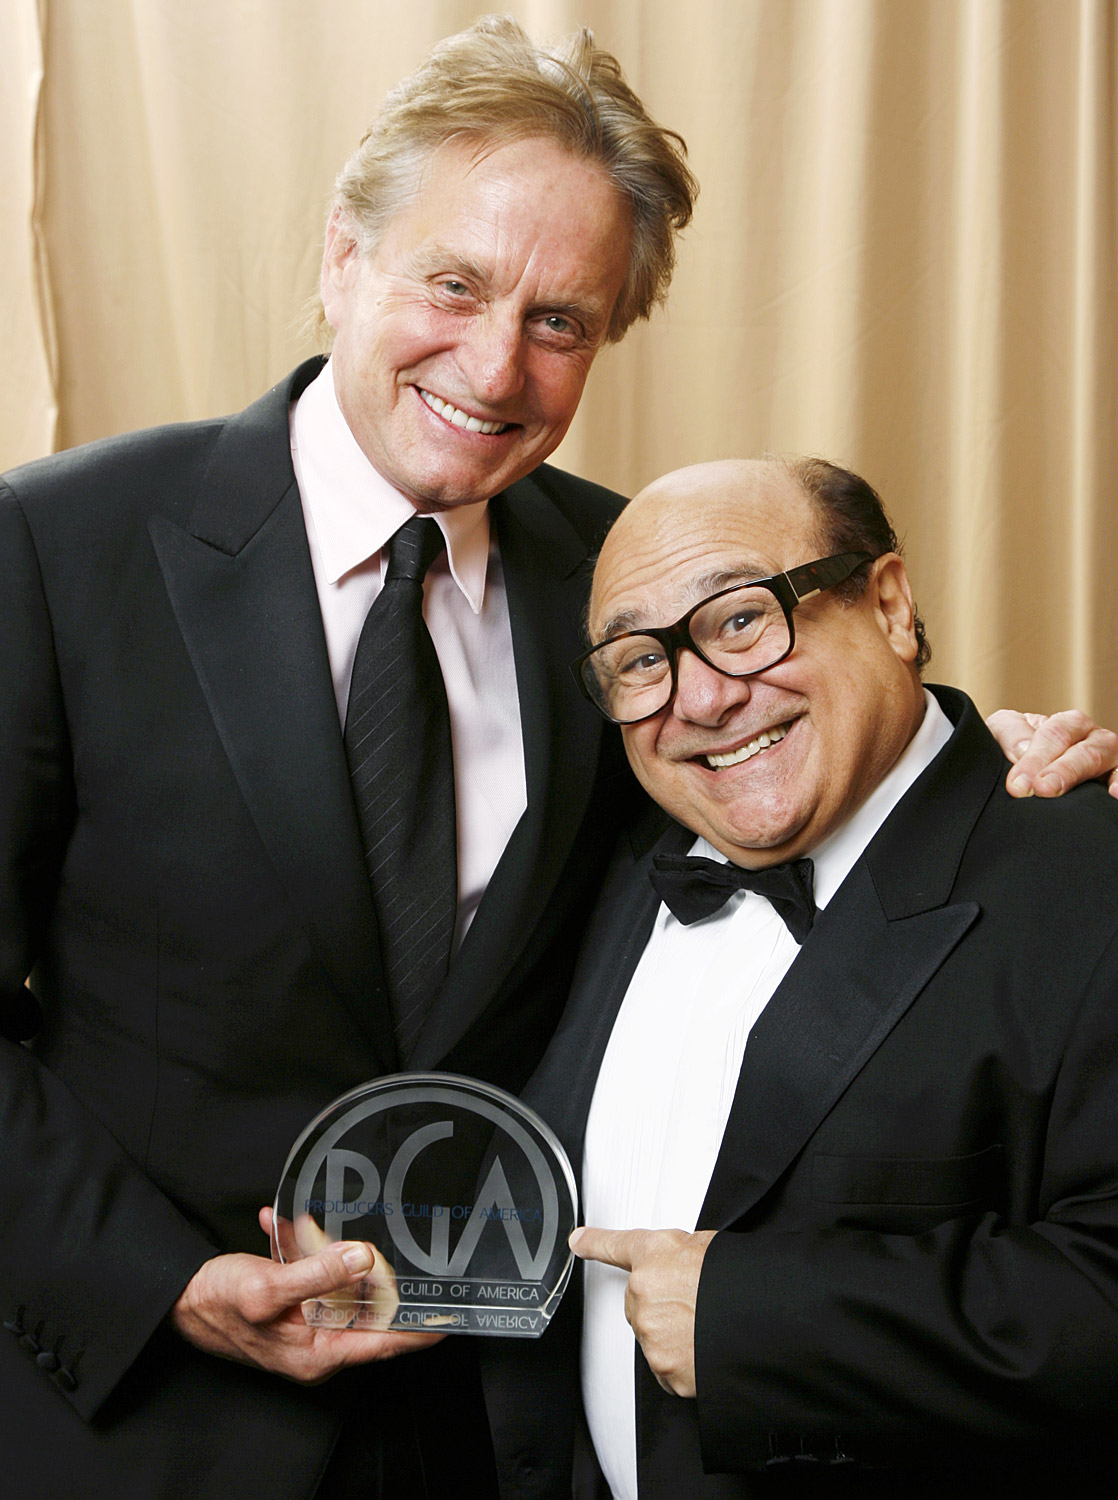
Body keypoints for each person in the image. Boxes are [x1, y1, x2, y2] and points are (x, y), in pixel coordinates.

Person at [0, 17, 1109, 1499]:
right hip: (152, 1427)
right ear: (341, 255)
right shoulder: (54, 547)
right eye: (452, 284)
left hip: (497, 1430)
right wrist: (161, 1285)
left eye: (561, 321)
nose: (494, 363)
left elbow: (793, 726)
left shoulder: (617, 583)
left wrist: (1003, 760)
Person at [479, 456, 1118, 1499]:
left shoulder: (1088, 881)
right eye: (640, 661)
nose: (700, 697)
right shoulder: (608, 866)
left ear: (888, 605)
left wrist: (751, 1322)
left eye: (741, 619)